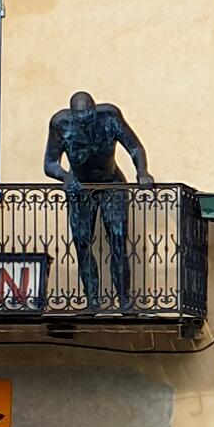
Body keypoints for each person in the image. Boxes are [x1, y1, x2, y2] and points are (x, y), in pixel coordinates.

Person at [44, 91, 153, 312]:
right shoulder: (60, 124)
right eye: (81, 120)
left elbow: (134, 147)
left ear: (94, 110)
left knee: (118, 239)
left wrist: (142, 171)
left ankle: (124, 300)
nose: (85, 124)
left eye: (89, 118)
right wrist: (65, 177)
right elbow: (49, 163)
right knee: (82, 244)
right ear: (73, 115)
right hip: (80, 188)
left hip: (112, 184)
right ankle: (92, 301)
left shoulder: (110, 117)